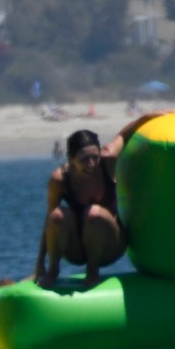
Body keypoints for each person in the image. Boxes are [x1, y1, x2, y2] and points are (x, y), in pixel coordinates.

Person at [36, 118, 154, 288]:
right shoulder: (60, 179)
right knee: (57, 216)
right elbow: (50, 224)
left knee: (94, 213)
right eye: (84, 159)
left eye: (94, 157)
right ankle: (53, 271)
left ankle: (93, 273)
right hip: (76, 251)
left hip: (110, 245)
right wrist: (40, 264)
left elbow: (125, 134)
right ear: (71, 158)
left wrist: (150, 116)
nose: (91, 164)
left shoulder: (108, 160)